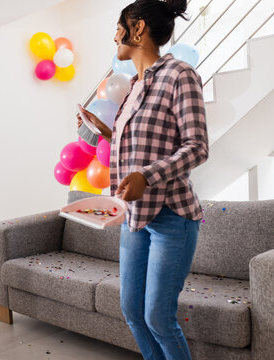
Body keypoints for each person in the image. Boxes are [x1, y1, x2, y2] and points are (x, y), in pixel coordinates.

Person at [77, 0, 209, 358]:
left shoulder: (180, 74)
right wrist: (105, 131)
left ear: (138, 28)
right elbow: (139, 145)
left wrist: (147, 177)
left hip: (171, 217)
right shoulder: (134, 85)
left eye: (119, 26)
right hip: (134, 218)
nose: (114, 34)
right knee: (132, 311)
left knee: (158, 317)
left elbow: (197, 147)